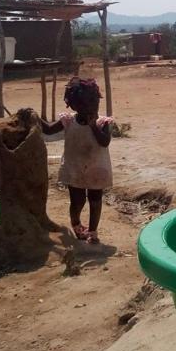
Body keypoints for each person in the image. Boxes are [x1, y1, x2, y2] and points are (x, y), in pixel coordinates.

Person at [40, 77, 113, 244]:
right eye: (86, 105)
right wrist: (35, 117)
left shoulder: (103, 123)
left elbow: (104, 142)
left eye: (94, 103)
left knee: (95, 200)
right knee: (77, 200)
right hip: (75, 169)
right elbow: (49, 130)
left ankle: (93, 231)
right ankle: (77, 224)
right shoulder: (69, 121)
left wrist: (93, 125)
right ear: (75, 106)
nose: (91, 108)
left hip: (97, 169)